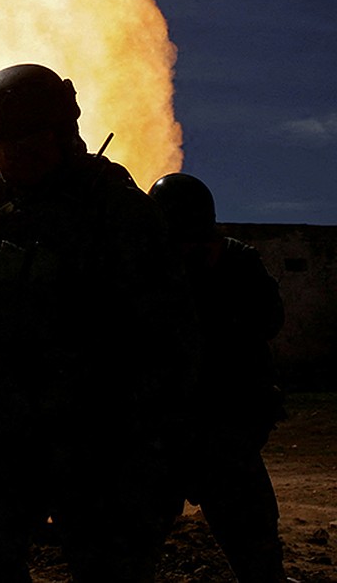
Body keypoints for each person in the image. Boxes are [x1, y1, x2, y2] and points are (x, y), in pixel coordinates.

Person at [0, 63, 197, 582]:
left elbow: (170, 337)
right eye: (0, 146)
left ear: (64, 132)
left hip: (101, 427)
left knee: (108, 562)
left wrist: (161, 448)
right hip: (4, 421)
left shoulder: (117, 210)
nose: (12, 159)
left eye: (28, 145)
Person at [149, 173, 288, 582]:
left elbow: (268, 322)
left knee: (256, 549)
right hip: (166, 432)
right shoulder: (150, 269)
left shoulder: (238, 263)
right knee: (127, 550)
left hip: (225, 431)